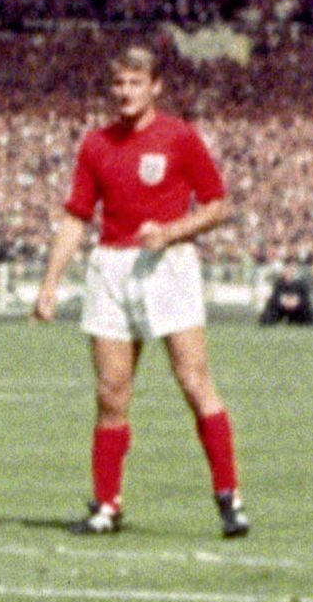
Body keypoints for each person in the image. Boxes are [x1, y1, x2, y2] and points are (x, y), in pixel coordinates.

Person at [32, 43, 245, 537]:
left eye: (134, 83)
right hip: (110, 267)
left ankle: (229, 497)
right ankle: (107, 505)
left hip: (166, 264)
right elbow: (76, 217)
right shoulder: (95, 144)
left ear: (155, 87)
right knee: (111, 391)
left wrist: (170, 231)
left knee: (193, 381)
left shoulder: (179, 136)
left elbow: (219, 205)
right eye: (118, 84)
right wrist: (50, 282)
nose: (124, 92)